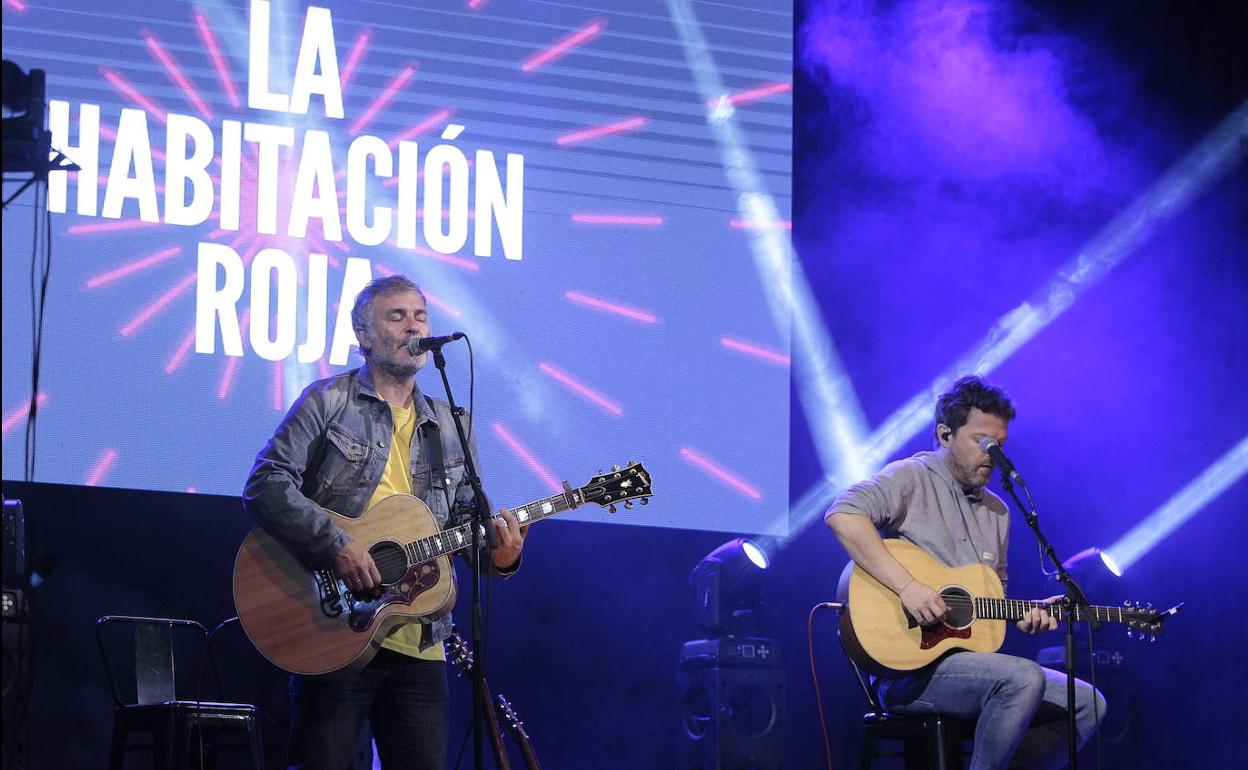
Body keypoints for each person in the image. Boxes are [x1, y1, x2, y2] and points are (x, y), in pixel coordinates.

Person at [243, 274, 527, 770]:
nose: (412, 325)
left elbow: (465, 528)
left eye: (420, 315)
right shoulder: (328, 401)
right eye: (396, 316)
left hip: (420, 638)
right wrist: (335, 546)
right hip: (331, 627)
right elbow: (266, 483)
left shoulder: (451, 425)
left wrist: (502, 559)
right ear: (364, 336)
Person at [825, 375, 1104, 770]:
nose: (992, 454)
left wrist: (1028, 616)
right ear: (945, 434)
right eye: (981, 441)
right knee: (1024, 678)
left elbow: (989, 605)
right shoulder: (911, 477)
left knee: (1089, 703)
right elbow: (843, 515)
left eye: (1000, 445)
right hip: (906, 672)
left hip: (967, 666)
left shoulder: (999, 512)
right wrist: (907, 586)